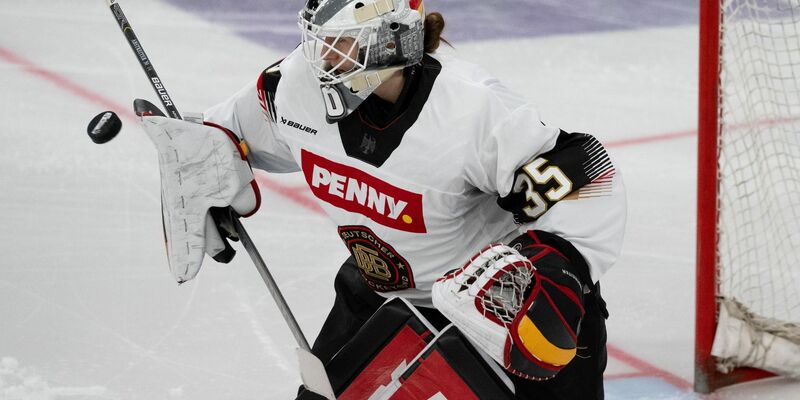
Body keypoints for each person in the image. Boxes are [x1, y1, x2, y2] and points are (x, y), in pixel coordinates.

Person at [201, 0, 626, 398]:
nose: (324, 58)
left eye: (342, 42)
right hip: (383, 298)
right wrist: (208, 169)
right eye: (321, 41)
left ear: (392, 38)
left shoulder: (470, 107)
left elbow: (584, 179)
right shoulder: (295, 85)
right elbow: (230, 130)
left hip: (497, 311)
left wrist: (558, 269)